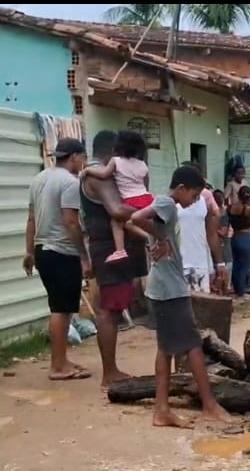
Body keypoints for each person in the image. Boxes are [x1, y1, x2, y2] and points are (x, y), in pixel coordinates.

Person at [129, 166, 231, 428]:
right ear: (182, 188)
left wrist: (158, 237)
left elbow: (137, 222)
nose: (195, 201)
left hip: (163, 287)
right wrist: (159, 237)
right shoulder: (167, 202)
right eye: (195, 195)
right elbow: (136, 217)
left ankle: (162, 410)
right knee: (193, 345)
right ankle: (209, 404)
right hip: (170, 290)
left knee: (166, 349)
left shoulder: (168, 208)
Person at [80, 130, 149, 388]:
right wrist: (151, 210)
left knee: (107, 306)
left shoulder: (97, 173)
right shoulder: (103, 175)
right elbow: (117, 210)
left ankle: (111, 369)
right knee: (110, 310)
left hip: (105, 247)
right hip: (110, 248)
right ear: (113, 152)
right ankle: (110, 372)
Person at [24, 138, 91, 380]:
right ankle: (58, 366)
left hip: (43, 251)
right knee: (62, 310)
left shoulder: (39, 179)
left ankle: (61, 360)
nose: (84, 162)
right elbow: (71, 221)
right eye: (83, 157)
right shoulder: (71, 182)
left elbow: (31, 219)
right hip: (63, 251)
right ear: (74, 156)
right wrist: (83, 256)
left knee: (59, 306)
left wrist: (29, 251)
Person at [81, 131, 153, 263]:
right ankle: (149, 237)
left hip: (130, 203)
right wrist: (148, 212)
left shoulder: (113, 164)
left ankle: (123, 249)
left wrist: (86, 170)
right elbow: (144, 185)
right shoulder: (142, 165)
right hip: (146, 199)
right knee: (131, 221)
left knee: (118, 222)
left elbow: (103, 174)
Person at [177, 161, 227, 293]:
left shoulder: (203, 202)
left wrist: (219, 263)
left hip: (201, 265)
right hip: (179, 265)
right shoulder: (170, 203)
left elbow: (211, 234)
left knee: (202, 307)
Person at [229, 185, 250, 299]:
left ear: (238, 195)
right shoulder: (247, 209)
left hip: (235, 237)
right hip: (245, 238)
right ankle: (242, 292)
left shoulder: (232, 207)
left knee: (236, 265)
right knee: (244, 266)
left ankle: (237, 290)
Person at [213, 189, 233, 295]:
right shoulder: (212, 213)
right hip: (217, 247)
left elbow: (223, 232)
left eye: (221, 197)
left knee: (226, 270)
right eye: (216, 197)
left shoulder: (224, 214)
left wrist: (211, 229)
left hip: (224, 245)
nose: (219, 199)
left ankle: (225, 293)